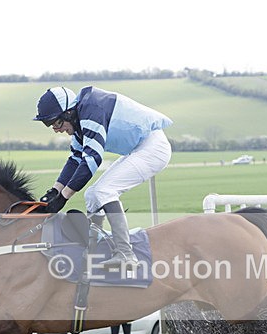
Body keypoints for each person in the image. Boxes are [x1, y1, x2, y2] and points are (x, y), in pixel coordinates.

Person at [33, 86, 173, 270]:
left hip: (153, 148)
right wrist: (54, 191)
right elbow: (75, 159)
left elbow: (92, 159)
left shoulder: (91, 111)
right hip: (140, 147)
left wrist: (64, 197)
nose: (56, 130)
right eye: (50, 125)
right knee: (91, 195)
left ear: (68, 113)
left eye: (56, 123)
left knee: (103, 191)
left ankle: (125, 253)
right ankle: (96, 246)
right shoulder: (80, 120)